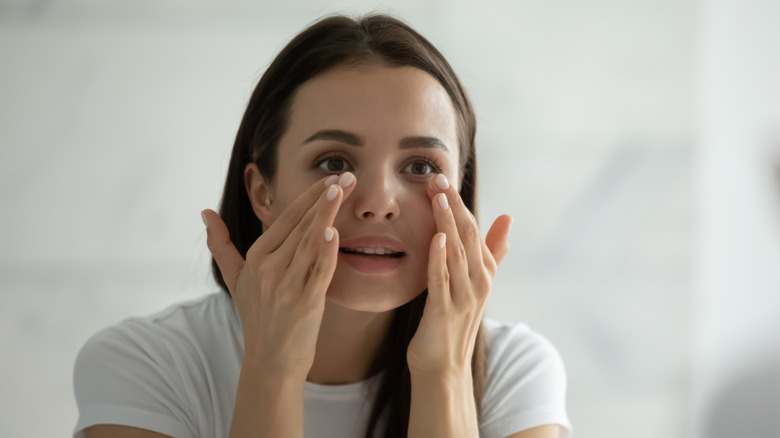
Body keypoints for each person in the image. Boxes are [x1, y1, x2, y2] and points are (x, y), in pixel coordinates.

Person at [72, 13, 572, 438]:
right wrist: (274, 368)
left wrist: (444, 374)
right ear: (262, 191)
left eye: (421, 167)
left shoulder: (516, 373)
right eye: (334, 162)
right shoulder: (143, 366)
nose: (379, 203)